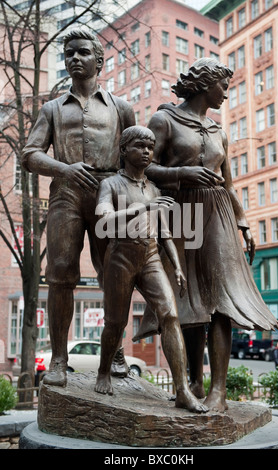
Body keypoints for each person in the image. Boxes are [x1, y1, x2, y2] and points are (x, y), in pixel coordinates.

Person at [133, 58, 278, 412]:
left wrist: (243, 222)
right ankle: (194, 381)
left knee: (220, 300)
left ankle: (219, 390)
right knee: (188, 300)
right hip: (181, 211)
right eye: (223, 87)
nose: (226, 95)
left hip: (218, 215)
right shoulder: (164, 119)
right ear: (205, 84)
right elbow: (144, 167)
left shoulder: (218, 131)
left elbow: (228, 183)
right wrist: (183, 172)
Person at [21, 29, 135, 387]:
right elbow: (30, 154)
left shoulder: (121, 107)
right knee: (60, 273)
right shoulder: (52, 109)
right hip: (66, 193)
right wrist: (63, 168)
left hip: (111, 194)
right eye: (69, 53)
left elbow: (135, 155)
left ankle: (115, 352)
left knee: (115, 274)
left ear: (99, 61)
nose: (74, 58)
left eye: (82, 52)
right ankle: (58, 359)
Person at [94, 125, 208, 413]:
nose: (147, 152)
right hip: (120, 255)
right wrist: (145, 208)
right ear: (123, 151)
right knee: (115, 323)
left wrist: (178, 267)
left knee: (170, 315)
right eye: (139, 146)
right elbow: (103, 217)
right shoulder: (111, 184)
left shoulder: (154, 189)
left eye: (150, 147)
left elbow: (164, 231)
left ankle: (182, 389)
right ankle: (103, 371)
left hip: (151, 256)